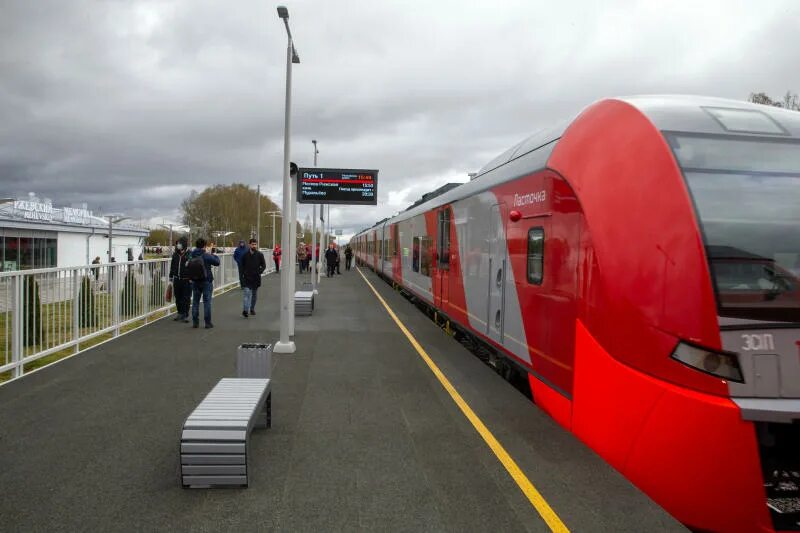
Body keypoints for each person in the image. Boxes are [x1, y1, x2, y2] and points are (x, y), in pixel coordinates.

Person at [188, 238, 220, 329]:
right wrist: (213, 254)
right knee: (207, 302)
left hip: (195, 281)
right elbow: (217, 262)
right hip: (206, 281)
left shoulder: (191, 255)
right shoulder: (206, 255)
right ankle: (207, 323)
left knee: (195, 302)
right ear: (204, 246)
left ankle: (195, 323)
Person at [241, 238, 267, 317]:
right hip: (247, 278)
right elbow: (241, 266)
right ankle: (245, 310)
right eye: (252, 244)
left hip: (256, 277)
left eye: (255, 244)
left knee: (254, 294)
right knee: (247, 294)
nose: (254, 246)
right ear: (249, 245)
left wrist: (260, 271)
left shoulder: (260, 255)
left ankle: (252, 308)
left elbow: (264, 265)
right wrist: (243, 273)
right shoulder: (245, 255)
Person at [169, 237, 192, 323]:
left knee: (186, 298)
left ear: (184, 245)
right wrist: (171, 277)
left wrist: (191, 278)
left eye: (180, 243)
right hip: (177, 279)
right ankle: (179, 313)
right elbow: (172, 266)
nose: (178, 245)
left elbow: (192, 266)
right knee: (178, 297)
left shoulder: (189, 254)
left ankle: (185, 314)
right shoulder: (175, 254)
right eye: (177, 243)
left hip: (186, 280)